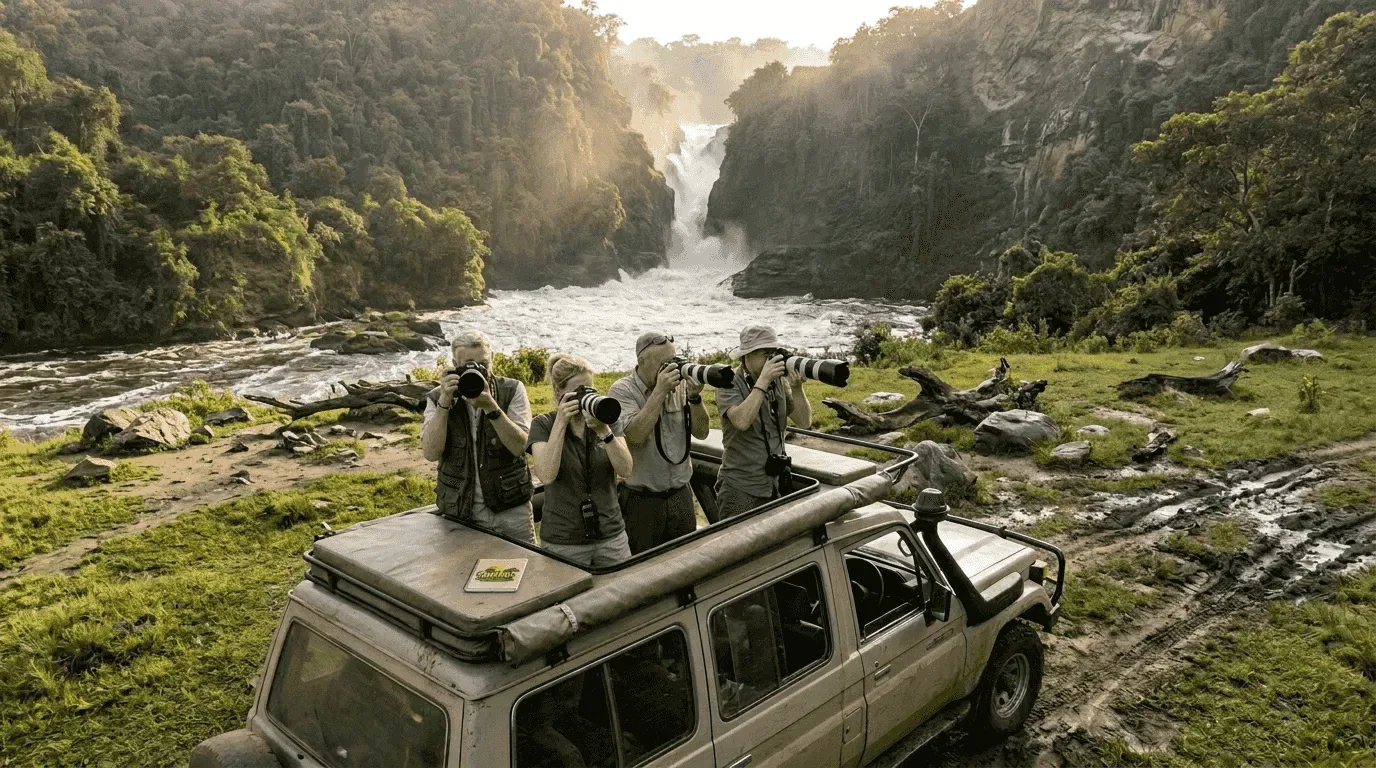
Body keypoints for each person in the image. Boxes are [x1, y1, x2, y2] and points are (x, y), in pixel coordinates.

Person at [421, 331, 536, 544]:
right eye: (468, 364)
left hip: (510, 509)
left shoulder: (511, 390)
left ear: (492, 359)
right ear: (455, 364)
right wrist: (445, 402)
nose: (478, 370)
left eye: (483, 364)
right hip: (460, 510)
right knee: (462, 564)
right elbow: (430, 452)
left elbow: (520, 447)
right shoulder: (438, 396)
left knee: (522, 562)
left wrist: (491, 407)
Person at [528, 353, 635, 567]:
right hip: (563, 540)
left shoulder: (605, 419)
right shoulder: (543, 424)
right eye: (579, 391)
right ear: (558, 391)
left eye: (590, 389)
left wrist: (605, 432)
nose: (585, 396)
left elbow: (626, 469)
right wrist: (561, 422)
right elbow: (546, 475)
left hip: (610, 535)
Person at [608, 333, 711, 554]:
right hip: (642, 501)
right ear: (641, 361)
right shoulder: (622, 390)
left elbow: (702, 433)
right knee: (644, 566)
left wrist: (694, 398)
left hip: (680, 495)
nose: (670, 368)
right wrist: (660, 392)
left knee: (686, 561)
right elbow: (635, 436)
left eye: (673, 361)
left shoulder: (680, 386)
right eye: (663, 363)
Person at [714, 325, 812, 519]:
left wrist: (797, 388)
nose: (771, 360)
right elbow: (741, 421)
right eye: (765, 354)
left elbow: (804, 422)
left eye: (773, 353)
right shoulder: (728, 382)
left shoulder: (778, 382)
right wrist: (763, 382)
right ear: (746, 355)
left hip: (775, 485)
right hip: (741, 489)